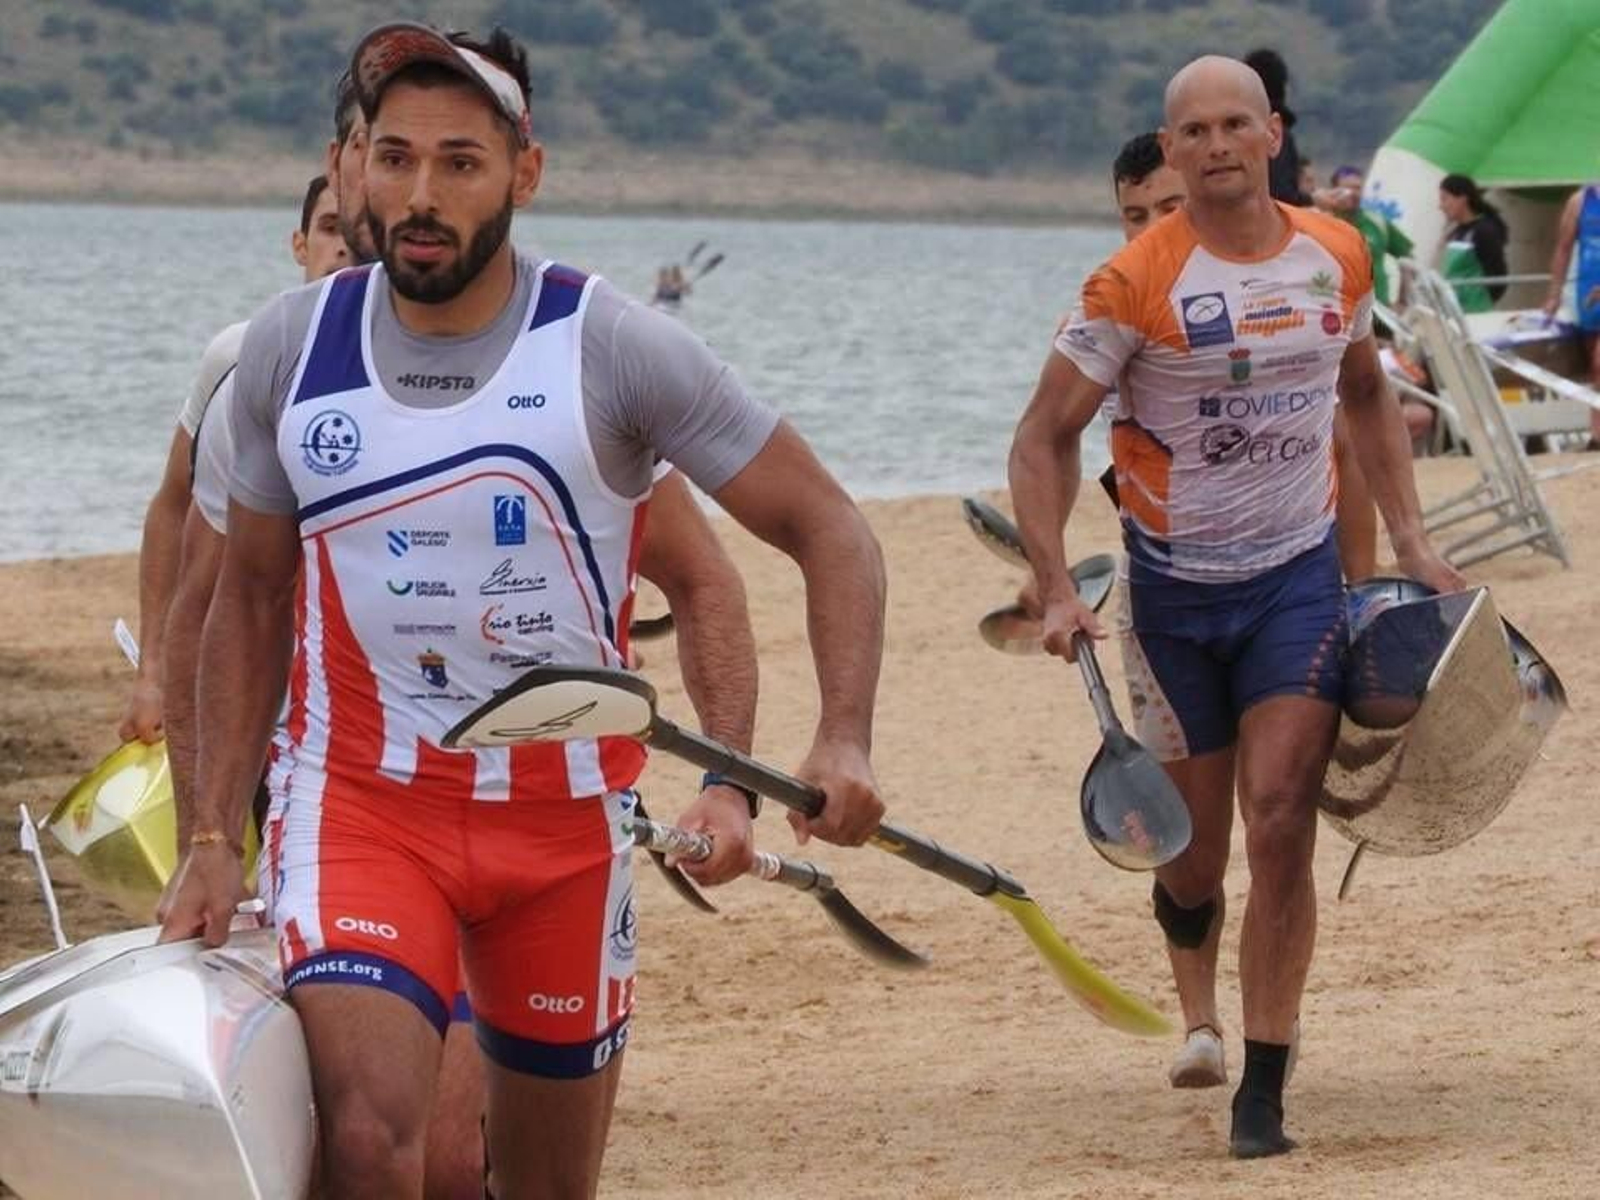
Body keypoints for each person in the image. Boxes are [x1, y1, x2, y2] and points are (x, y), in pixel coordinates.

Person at [161, 22, 886, 1198]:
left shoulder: (611, 348)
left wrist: (819, 744)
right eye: (395, 158)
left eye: (460, 162)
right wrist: (208, 839)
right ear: (355, 167)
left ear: (524, 173)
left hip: (563, 831)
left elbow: (830, 529)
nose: (421, 195)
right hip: (360, 807)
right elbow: (245, 598)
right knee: (370, 1140)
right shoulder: (291, 350)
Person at [1008, 56, 1464, 1159]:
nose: (1215, 145)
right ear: (1171, 150)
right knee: (1193, 859)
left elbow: (1365, 392)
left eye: (1233, 125)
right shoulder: (1130, 283)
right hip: (1172, 598)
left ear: (1271, 134)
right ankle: (1197, 995)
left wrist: (1410, 543)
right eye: (1194, 132)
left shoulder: (1335, 253)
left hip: (1293, 584)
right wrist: (1055, 583)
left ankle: (1263, 1085)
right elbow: (1042, 438)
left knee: (1282, 816)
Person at [1541, 182, 1600, 447]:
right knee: (1594, 369)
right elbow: (1563, 248)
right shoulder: (1580, 201)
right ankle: (1597, 436)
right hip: (1587, 293)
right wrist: (1554, 294)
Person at [1437, 173, 1509, 314]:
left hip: (1473, 311)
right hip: (1453, 308)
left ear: (1462, 199)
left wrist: (1480, 301)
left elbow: (1498, 277)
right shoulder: (1457, 231)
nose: (1441, 206)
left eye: (1445, 199)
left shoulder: (1484, 230)